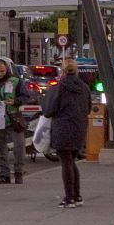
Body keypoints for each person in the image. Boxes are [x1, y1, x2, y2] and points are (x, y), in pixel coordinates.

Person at [47, 59, 93, 208]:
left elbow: (49, 110)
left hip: (63, 128)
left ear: (63, 71)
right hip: (79, 128)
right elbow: (88, 108)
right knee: (72, 161)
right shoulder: (85, 88)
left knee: (66, 163)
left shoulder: (60, 87)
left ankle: (69, 198)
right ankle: (77, 196)